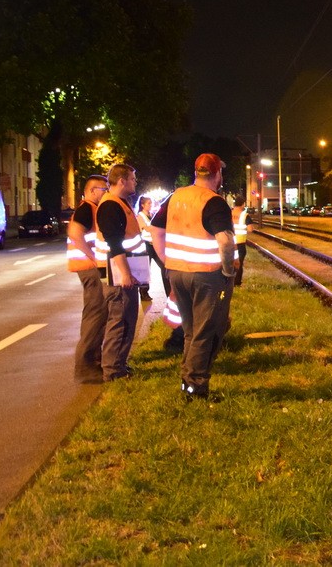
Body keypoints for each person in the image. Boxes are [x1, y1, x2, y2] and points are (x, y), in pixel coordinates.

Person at [150, 153, 236, 400]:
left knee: (190, 330)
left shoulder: (175, 197)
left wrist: (168, 261)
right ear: (217, 174)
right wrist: (229, 270)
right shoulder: (214, 201)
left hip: (177, 274)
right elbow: (225, 240)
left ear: (196, 172)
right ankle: (196, 386)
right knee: (206, 330)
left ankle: (187, 379)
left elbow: (156, 230)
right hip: (206, 276)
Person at [95, 164, 147, 381]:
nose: (135, 182)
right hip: (118, 276)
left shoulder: (120, 203)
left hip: (126, 273)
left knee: (127, 320)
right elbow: (115, 244)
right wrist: (125, 274)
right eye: (133, 179)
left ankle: (119, 366)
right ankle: (113, 370)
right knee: (120, 321)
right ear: (122, 181)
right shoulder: (110, 206)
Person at [66, 174, 109, 384]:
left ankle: (93, 361)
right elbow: (75, 232)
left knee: (95, 314)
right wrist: (92, 257)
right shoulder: (87, 208)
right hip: (89, 268)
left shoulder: (90, 208)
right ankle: (85, 367)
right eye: (103, 189)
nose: (106, 192)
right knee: (96, 314)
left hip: (88, 268)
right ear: (92, 191)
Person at [231, 195, 251, 287]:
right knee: (239, 263)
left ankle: (229, 281)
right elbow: (250, 229)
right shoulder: (244, 215)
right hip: (240, 243)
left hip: (230, 242)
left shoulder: (229, 213)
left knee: (229, 262)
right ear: (243, 204)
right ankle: (237, 282)